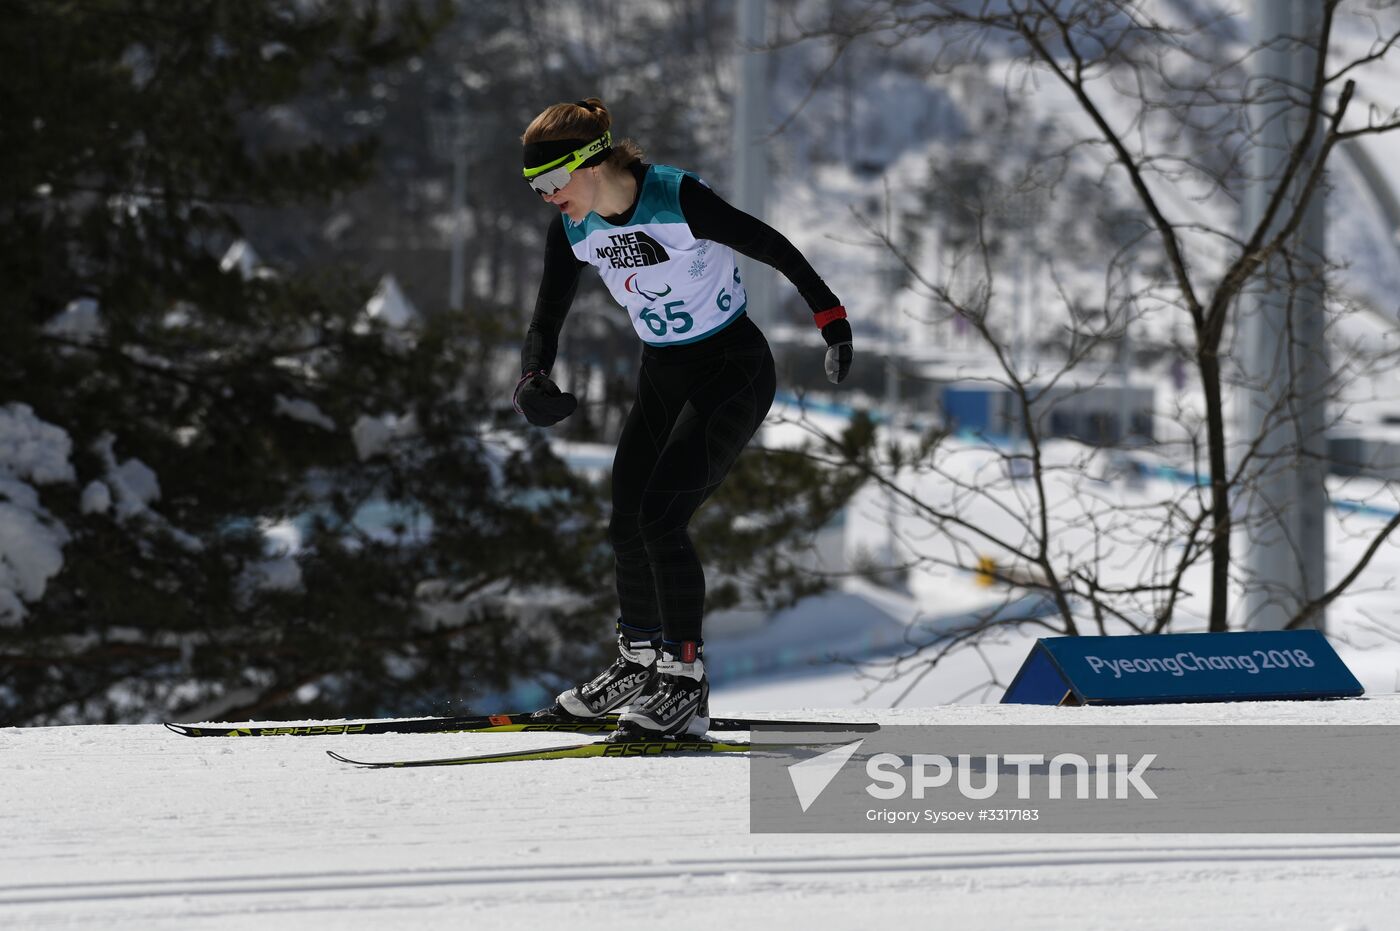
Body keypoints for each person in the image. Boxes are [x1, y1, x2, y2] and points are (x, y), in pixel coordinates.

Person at [515, 97, 853, 739]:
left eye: (554, 180)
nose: (547, 196)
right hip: (663, 373)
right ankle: (637, 662)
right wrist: (532, 377)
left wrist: (830, 319)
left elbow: (773, 246)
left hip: (732, 370)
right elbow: (546, 314)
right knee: (626, 520)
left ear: (592, 162)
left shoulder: (675, 198)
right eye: (536, 186)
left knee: (662, 517)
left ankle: (684, 677)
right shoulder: (575, 226)